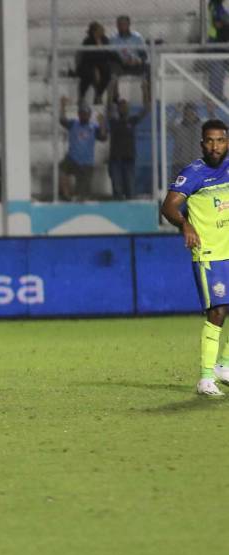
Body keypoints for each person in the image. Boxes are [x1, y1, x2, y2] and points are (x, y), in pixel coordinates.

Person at [160, 119, 229, 397]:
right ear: (202, 143)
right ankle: (205, 378)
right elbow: (168, 207)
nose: (215, 146)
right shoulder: (193, 173)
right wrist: (185, 224)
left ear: (227, 142)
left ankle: (224, 366)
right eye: (209, 141)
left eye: (220, 140)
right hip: (210, 253)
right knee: (218, 312)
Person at [59, 96, 108, 200]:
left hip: (86, 163)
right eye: (82, 113)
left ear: (89, 115)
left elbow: (103, 137)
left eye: (86, 114)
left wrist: (102, 123)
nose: (84, 115)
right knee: (62, 171)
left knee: (83, 194)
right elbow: (62, 120)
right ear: (78, 114)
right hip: (72, 159)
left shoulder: (94, 127)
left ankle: (78, 198)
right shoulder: (73, 124)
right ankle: (67, 196)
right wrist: (62, 105)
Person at [107, 81, 149, 200]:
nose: (123, 108)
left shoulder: (132, 121)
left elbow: (146, 109)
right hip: (115, 159)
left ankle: (131, 208)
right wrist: (112, 88)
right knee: (117, 189)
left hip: (129, 158)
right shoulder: (113, 122)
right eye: (121, 106)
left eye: (125, 106)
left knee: (130, 189)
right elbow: (109, 106)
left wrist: (145, 90)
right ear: (118, 109)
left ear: (128, 109)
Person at [76, 22, 112, 105]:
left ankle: (98, 95)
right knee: (88, 74)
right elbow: (88, 56)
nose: (103, 31)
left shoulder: (105, 39)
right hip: (88, 63)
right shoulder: (88, 41)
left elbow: (107, 53)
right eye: (100, 30)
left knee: (107, 73)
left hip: (102, 63)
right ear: (94, 31)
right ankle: (82, 96)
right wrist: (95, 68)